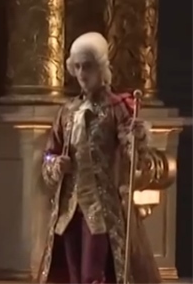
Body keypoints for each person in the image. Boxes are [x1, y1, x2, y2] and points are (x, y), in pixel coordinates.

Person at [31, 32, 161, 284]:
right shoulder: (67, 111)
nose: (82, 73)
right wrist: (56, 164)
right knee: (72, 273)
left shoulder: (117, 108)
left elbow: (135, 156)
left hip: (102, 207)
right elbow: (49, 155)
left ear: (101, 68)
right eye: (78, 66)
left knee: (93, 274)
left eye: (88, 66)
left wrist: (136, 138)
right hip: (69, 208)